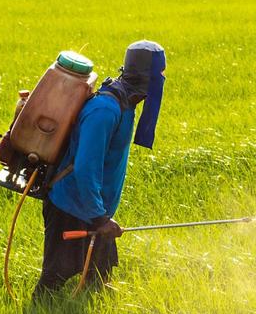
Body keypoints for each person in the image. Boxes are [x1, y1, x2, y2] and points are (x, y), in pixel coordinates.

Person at [35, 40, 166, 298]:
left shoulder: (126, 104)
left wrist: (100, 215)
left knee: (100, 284)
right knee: (52, 284)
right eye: (159, 75)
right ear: (147, 77)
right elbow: (85, 168)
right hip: (71, 207)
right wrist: (99, 218)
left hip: (94, 210)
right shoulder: (106, 110)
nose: (162, 80)